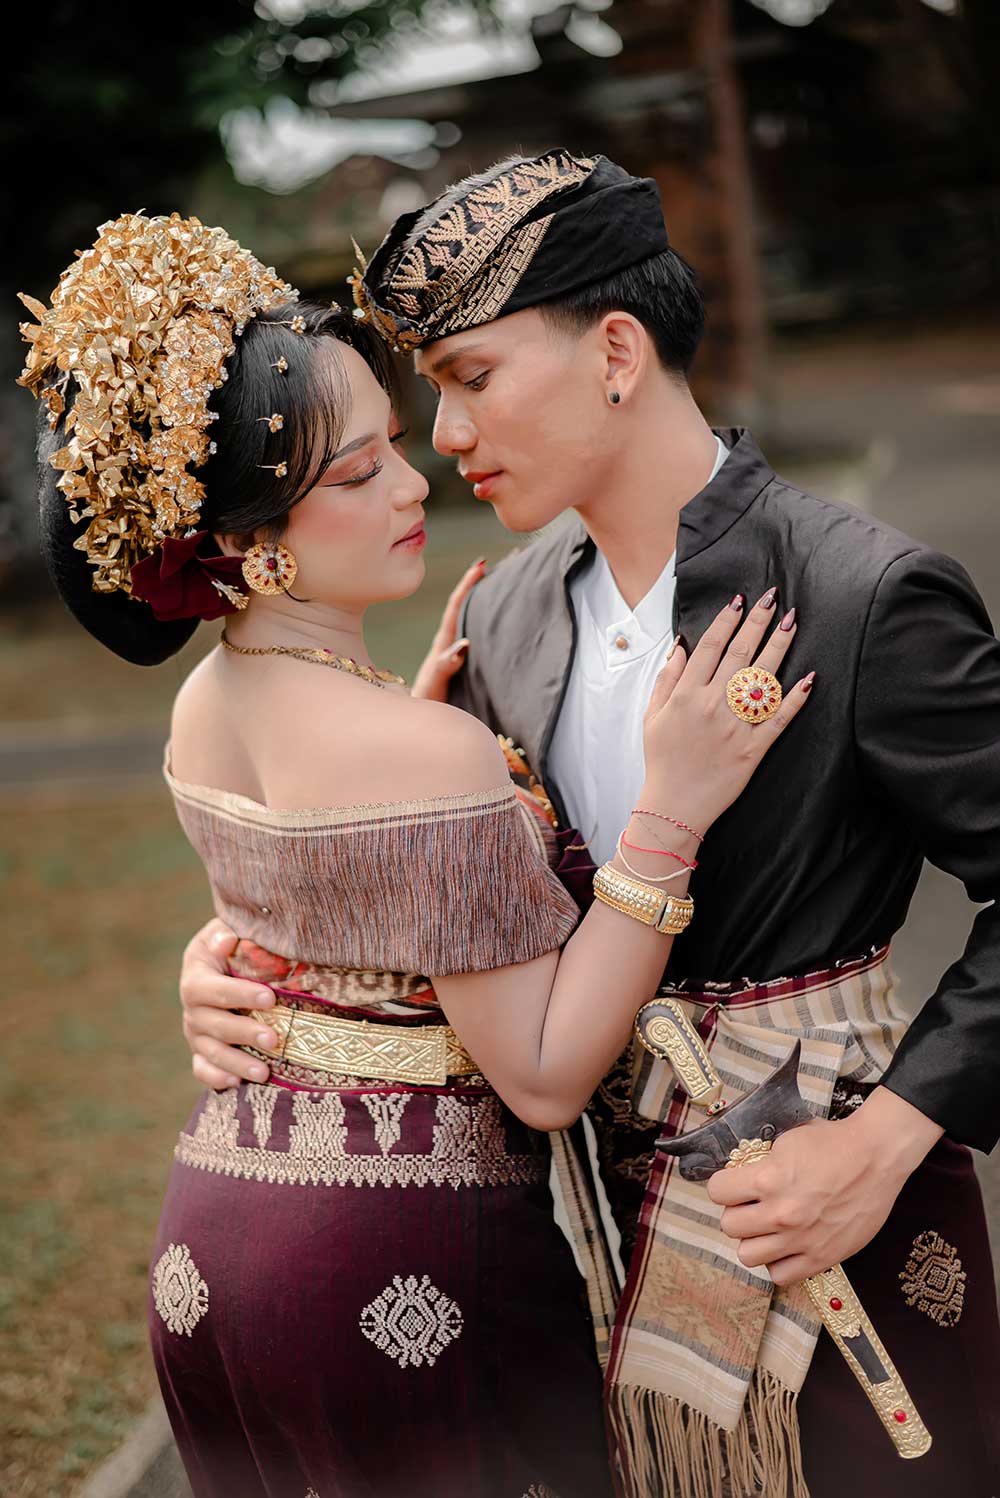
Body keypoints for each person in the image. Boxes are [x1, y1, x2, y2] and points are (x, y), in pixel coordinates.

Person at [178, 151, 1000, 1497]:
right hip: (599, 1252)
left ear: (616, 352)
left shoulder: (863, 596)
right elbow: (436, 887)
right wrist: (234, 962)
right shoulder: (502, 618)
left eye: (471, 378)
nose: (445, 437)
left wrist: (887, 1139)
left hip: (837, 1231)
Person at [17, 210, 813, 1498]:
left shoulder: (203, 708)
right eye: (354, 476)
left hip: (217, 1236)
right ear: (237, 537)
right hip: (393, 1258)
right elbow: (543, 1077)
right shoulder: (420, 755)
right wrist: (669, 816)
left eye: (393, 443)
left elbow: (311, 917)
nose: (409, 485)